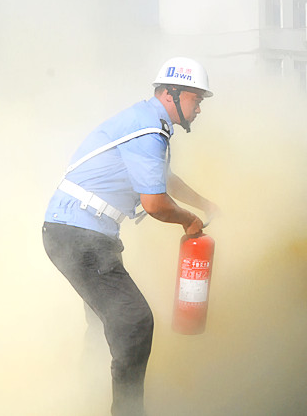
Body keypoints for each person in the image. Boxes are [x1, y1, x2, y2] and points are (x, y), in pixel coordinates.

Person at [42, 57, 218, 415]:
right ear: (172, 93)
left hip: (83, 233)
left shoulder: (146, 123)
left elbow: (164, 180)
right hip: (78, 235)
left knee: (104, 324)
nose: (199, 108)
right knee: (134, 322)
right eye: (196, 99)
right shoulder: (149, 130)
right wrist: (189, 221)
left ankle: (87, 398)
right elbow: (154, 203)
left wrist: (205, 205)